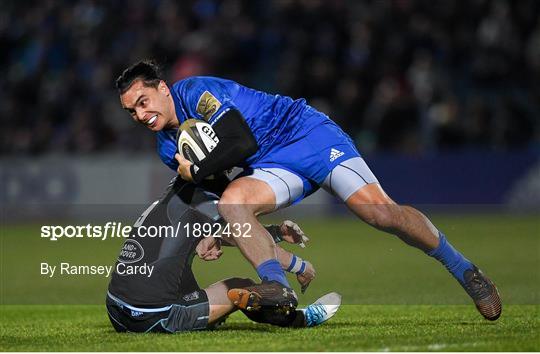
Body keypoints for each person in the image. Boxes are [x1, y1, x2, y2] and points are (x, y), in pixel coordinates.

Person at [115, 60, 501, 321]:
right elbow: (224, 193)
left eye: (143, 102)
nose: (140, 114)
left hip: (307, 134)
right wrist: (219, 231)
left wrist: (196, 169)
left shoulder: (196, 92)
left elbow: (241, 142)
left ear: (163, 88)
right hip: (270, 166)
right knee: (234, 203)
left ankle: (465, 270)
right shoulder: (168, 149)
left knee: (380, 213)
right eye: (131, 111)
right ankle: (279, 290)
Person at [106, 176, 341, 333]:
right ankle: (302, 319)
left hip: (116, 309)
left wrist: (275, 233)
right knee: (242, 286)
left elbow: (229, 234)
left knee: (180, 273)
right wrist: (300, 266)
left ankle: (207, 315)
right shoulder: (207, 202)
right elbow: (247, 238)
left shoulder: (170, 199)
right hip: (152, 316)